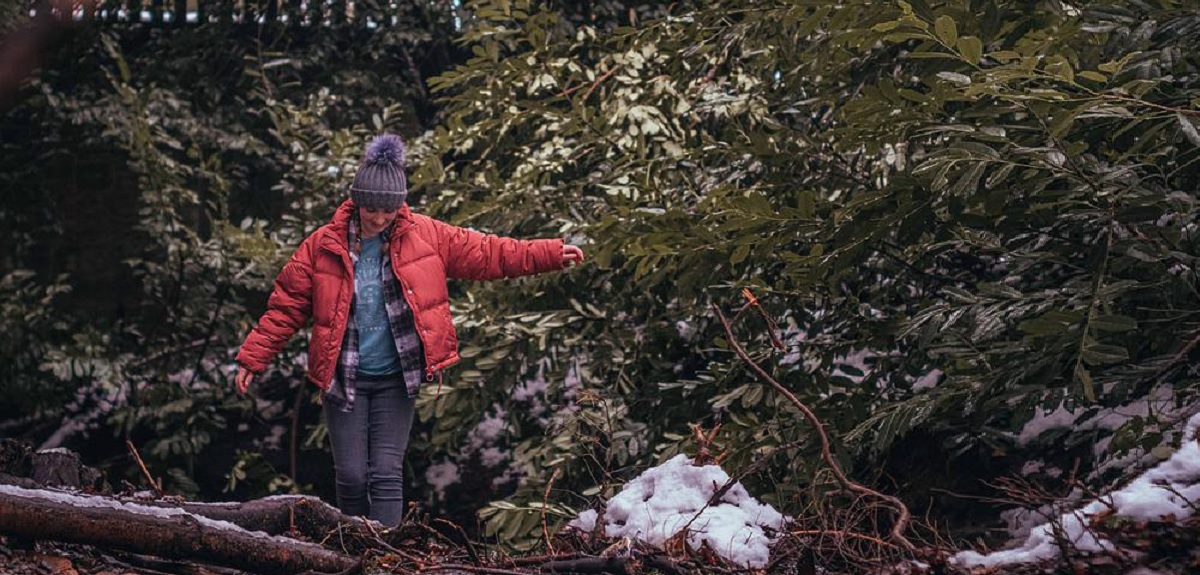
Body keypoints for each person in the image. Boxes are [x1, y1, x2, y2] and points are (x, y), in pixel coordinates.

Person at [234, 133, 584, 527]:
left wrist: (549, 253)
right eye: (372, 209)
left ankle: (383, 556)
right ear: (356, 201)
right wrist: (253, 357)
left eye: (389, 210)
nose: (380, 218)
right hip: (343, 375)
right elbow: (286, 304)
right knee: (351, 475)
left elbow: (488, 253)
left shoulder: (427, 235)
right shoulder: (322, 246)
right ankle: (351, 548)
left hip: (396, 376)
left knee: (385, 472)